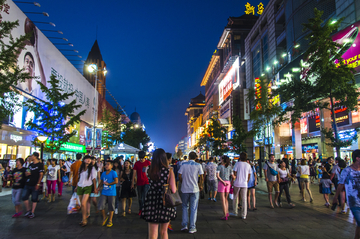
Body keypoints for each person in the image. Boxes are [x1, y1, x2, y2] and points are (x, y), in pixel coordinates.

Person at [141, 148, 176, 239]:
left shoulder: (148, 169)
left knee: (152, 233)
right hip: (165, 200)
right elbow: (174, 190)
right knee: (164, 232)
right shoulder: (169, 171)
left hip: (152, 198)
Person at [333, 149, 360, 239]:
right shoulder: (347, 171)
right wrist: (335, 197)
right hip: (354, 201)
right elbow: (340, 184)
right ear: (357, 158)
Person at [178, 152, 204, 234]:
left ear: (189, 157)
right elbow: (202, 177)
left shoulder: (183, 165)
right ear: (196, 157)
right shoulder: (198, 165)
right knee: (193, 208)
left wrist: (183, 182)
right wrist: (200, 185)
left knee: (185, 207)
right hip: (194, 189)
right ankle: (192, 227)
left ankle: (184, 225)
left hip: (185, 189)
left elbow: (179, 176)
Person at [75, 155, 98, 227]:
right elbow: (79, 178)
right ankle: (83, 218)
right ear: (84, 160)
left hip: (88, 186)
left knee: (83, 203)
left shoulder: (92, 168)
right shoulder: (81, 168)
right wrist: (76, 186)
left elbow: (94, 179)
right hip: (80, 186)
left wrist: (95, 188)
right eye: (87, 159)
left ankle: (84, 219)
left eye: (90, 159)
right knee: (82, 204)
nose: (88, 160)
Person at [22, 152, 44, 218]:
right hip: (28, 182)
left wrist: (38, 183)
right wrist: (27, 174)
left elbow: (41, 174)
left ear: (35, 157)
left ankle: (32, 212)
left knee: (34, 198)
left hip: (35, 183)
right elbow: (27, 173)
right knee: (24, 197)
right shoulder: (30, 165)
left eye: (32, 156)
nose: (31, 157)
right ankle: (28, 210)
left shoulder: (40, 165)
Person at [230, 152, 251, 219]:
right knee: (244, 199)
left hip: (237, 183)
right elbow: (249, 174)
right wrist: (246, 181)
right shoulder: (248, 165)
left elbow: (234, 172)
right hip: (244, 184)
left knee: (235, 198)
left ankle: (235, 211)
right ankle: (244, 214)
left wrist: (233, 180)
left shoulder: (237, 164)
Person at [98, 160, 118, 228]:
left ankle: (110, 220)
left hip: (111, 192)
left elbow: (116, 181)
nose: (106, 165)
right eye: (106, 164)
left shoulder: (113, 172)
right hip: (104, 192)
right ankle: (104, 217)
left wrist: (109, 184)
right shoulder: (103, 173)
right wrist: (98, 187)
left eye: (108, 164)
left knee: (111, 206)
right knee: (101, 205)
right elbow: (101, 181)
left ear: (112, 166)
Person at [132, 150, 151, 215]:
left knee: (144, 196)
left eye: (142, 158)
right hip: (139, 182)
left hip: (146, 182)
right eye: (140, 158)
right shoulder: (137, 163)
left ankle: (144, 209)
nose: (141, 159)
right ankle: (141, 209)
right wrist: (133, 183)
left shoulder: (148, 163)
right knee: (140, 198)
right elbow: (134, 173)